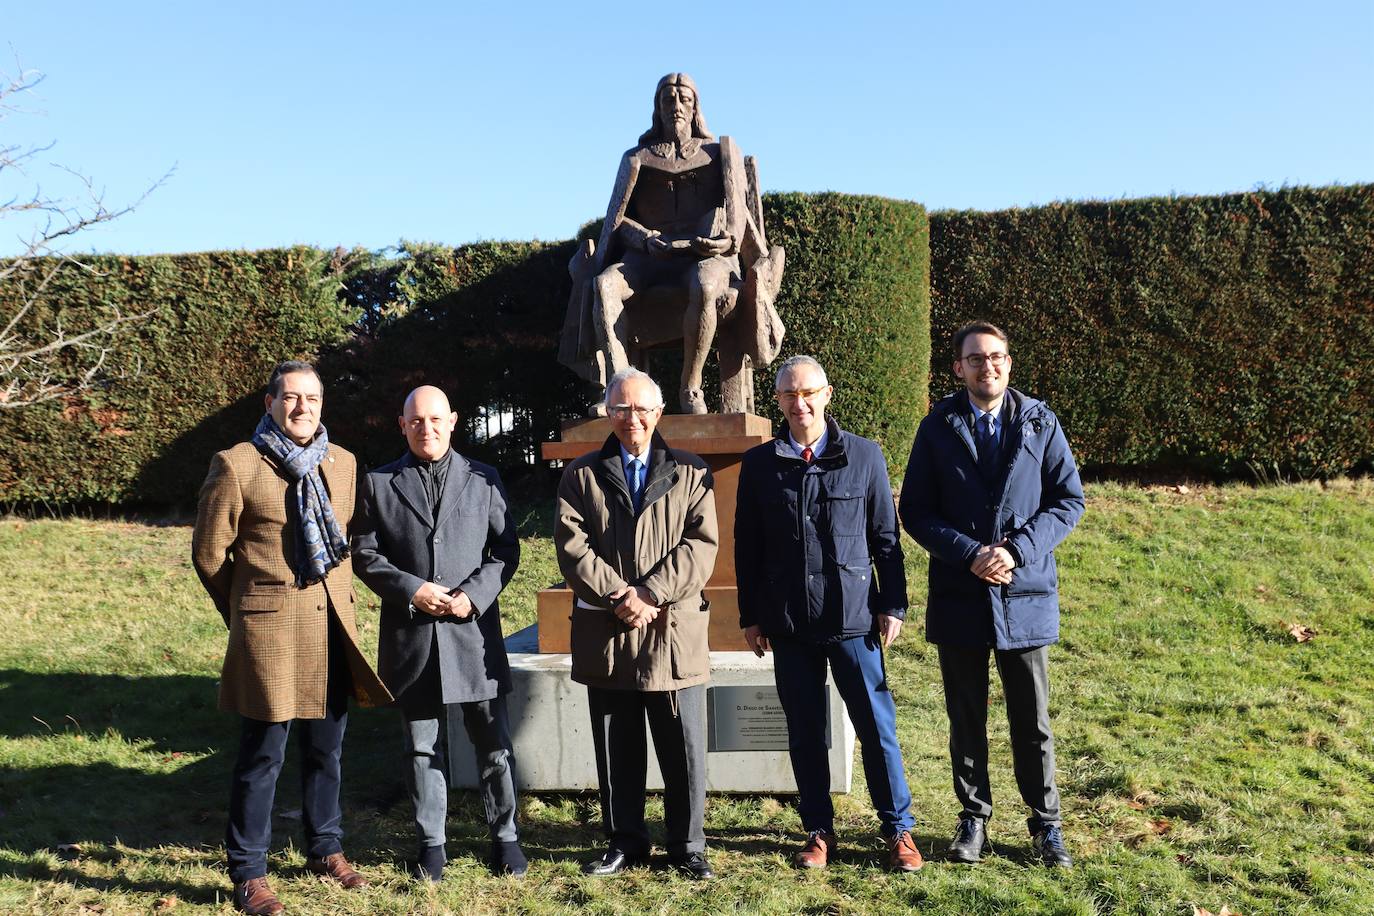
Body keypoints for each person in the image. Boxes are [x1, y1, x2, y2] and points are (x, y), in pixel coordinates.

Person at [192, 360, 392, 915]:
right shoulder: (237, 465)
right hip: (270, 633)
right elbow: (209, 555)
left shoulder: (344, 463)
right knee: (263, 756)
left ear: (322, 406)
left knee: (327, 748)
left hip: (331, 627)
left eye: (312, 398)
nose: (302, 408)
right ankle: (249, 871)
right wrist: (247, 611)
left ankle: (325, 847)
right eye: (291, 398)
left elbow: (348, 540)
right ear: (270, 403)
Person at [898, 320, 1085, 868]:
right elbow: (916, 511)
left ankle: (1045, 826)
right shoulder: (936, 428)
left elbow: (1068, 501)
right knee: (966, 716)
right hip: (960, 593)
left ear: (1009, 361)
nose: (988, 367)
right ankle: (973, 819)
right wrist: (969, 553)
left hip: (1024, 593)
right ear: (958, 367)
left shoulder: (1040, 423)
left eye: (997, 356)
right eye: (976, 359)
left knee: (1032, 720)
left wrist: (1017, 550)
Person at [735, 354, 924, 872]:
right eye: (789, 395)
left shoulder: (865, 457)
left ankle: (898, 830)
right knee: (804, 731)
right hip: (789, 624)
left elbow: (886, 541)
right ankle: (818, 830)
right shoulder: (759, 464)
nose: (800, 404)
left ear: (827, 394)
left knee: (876, 728)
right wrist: (750, 616)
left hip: (855, 622)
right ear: (778, 402)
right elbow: (746, 547)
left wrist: (893, 604)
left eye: (808, 393)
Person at [351, 385, 526, 881]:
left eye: (435, 419)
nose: (426, 428)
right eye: (416, 420)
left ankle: (506, 836)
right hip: (413, 636)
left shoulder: (484, 478)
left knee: (493, 744)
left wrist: (474, 594)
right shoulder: (379, 483)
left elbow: (504, 551)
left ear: (453, 420)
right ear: (402, 425)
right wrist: (411, 589)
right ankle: (432, 843)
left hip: (472, 633)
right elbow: (365, 554)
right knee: (421, 746)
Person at [553, 367, 718, 879]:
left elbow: (701, 547)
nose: (634, 419)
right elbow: (571, 545)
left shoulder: (692, 472)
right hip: (609, 634)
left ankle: (688, 845)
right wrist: (617, 594)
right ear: (608, 412)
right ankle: (625, 840)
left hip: (672, 633)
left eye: (643, 408)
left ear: (659, 414)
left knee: (683, 748)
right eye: (622, 408)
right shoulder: (580, 475)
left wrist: (650, 593)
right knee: (616, 746)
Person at [559, 72, 782, 415]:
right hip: (650, 256)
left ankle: (690, 388)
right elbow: (616, 221)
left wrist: (723, 242)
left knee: (707, 284)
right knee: (604, 286)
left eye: (684, 100)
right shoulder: (637, 157)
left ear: (695, 108)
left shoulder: (719, 151)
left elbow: (737, 223)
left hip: (706, 256)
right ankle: (620, 393)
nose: (676, 106)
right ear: (657, 108)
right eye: (668, 100)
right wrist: (644, 238)